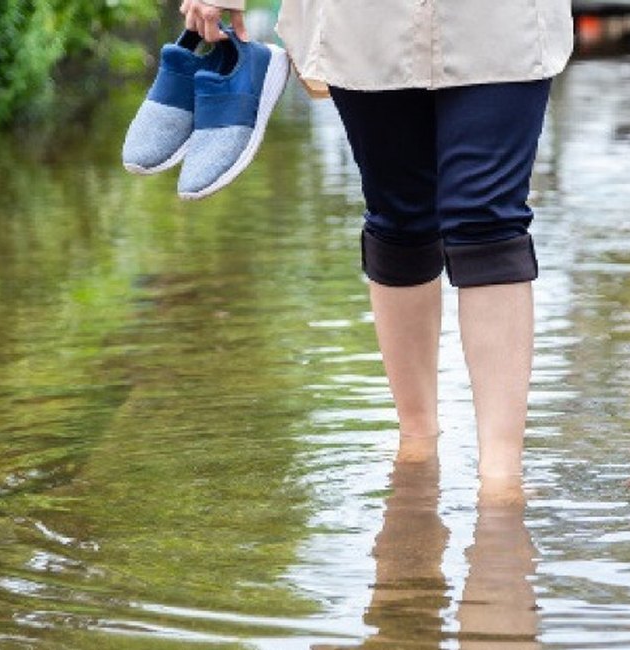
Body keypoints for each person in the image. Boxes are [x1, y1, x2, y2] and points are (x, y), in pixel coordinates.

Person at [178, 0, 574, 480]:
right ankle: (417, 442)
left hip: (498, 18)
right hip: (364, 18)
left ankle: (502, 476)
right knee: (399, 214)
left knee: (488, 220)